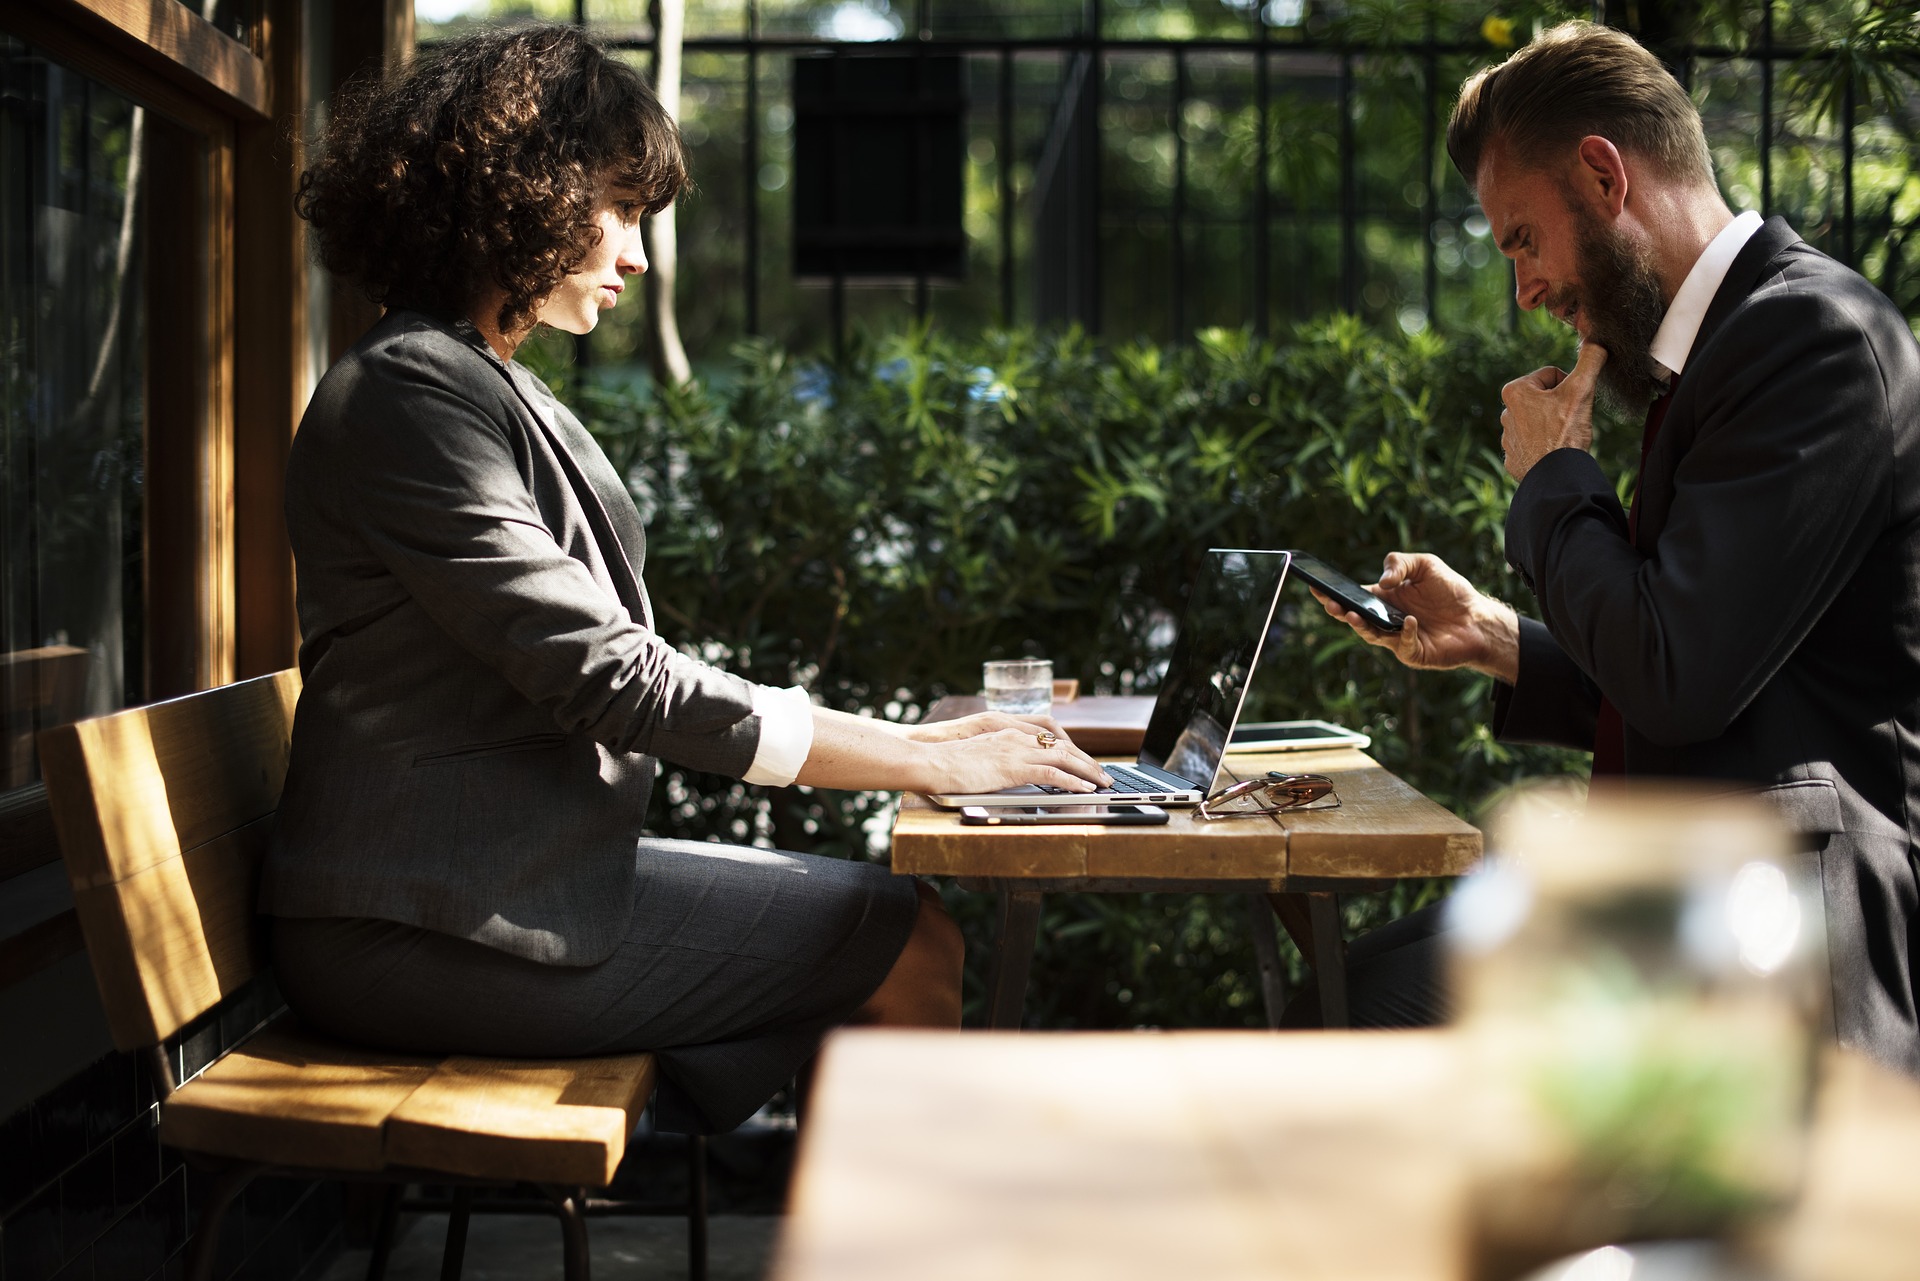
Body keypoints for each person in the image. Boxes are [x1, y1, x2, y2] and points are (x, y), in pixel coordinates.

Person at [262, 24, 1111, 1134]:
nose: (639, 254)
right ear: (523, 188)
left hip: (491, 888)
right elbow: (616, 680)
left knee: (884, 924)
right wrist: (913, 755)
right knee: (910, 939)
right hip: (421, 929)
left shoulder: (474, 380)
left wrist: (935, 748)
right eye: (618, 208)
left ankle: (798, 1191)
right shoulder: (412, 392)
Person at [1306, 21, 1920, 1076]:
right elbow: (1706, 657)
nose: (1524, 292)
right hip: (1686, 897)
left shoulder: (1809, 341)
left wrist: (1554, 481)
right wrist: (1501, 639)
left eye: (1520, 241)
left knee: (1355, 1017)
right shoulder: (1727, 350)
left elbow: (1679, 677)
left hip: (1781, 934)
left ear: (1603, 175)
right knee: (1343, 991)